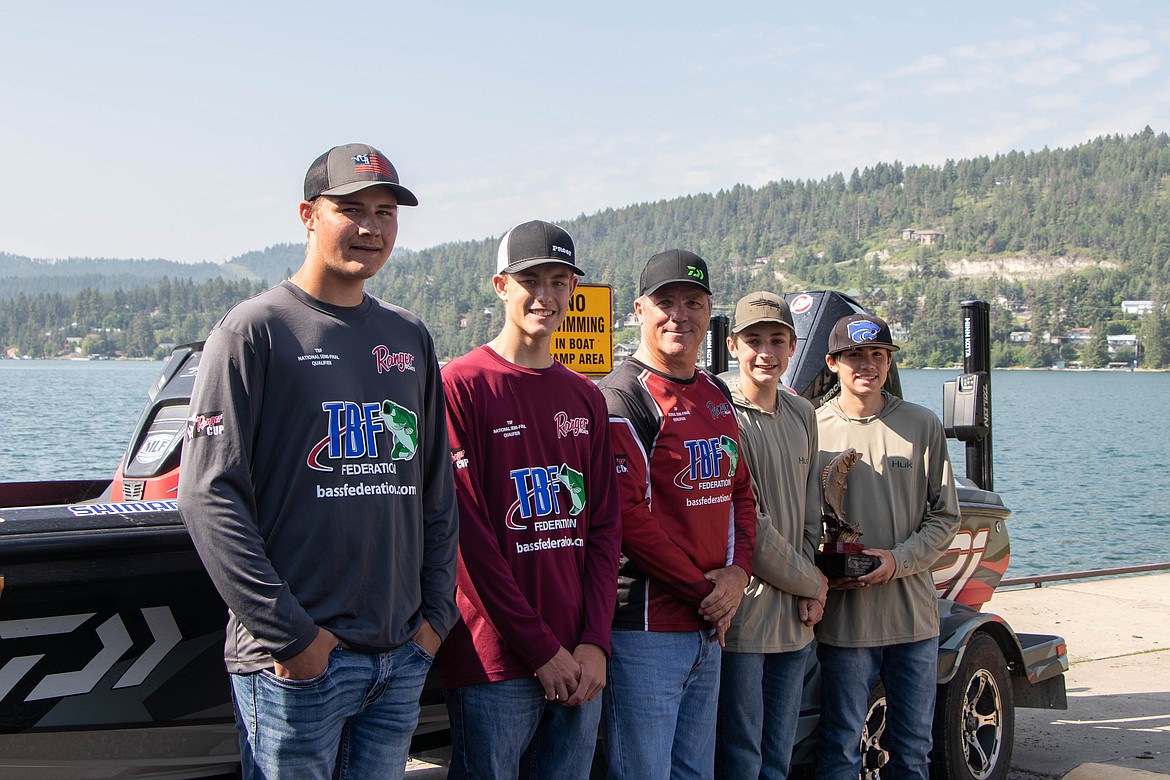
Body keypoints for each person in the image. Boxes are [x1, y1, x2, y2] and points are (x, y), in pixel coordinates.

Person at [177, 143, 458, 779]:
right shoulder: (254, 331)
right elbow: (207, 495)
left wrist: (434, 621)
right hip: (299, 667)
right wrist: (292, 638)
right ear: (308, 214)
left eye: (386, 212)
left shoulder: (409, 337)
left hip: (399, 658)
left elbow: (435, 491)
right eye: (351, 209)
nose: (371, 228)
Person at [439, 220, 622, 779]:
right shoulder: (461, 385)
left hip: (580, 661)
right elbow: (469, 544)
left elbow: (604, 531)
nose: (546, 295)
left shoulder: (585, 395)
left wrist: (594, 643)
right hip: (495, 663)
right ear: (501, 285)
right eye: (530, 280)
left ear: (574, 289)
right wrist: (540, 650)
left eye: (560, 281)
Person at [598, 249, 757, 780]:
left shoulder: (715, 392)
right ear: (639, 310)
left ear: (710, 309)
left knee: (694, 771)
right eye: (665, 302)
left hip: (708, 623)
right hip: (646, 628)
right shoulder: (623, 397)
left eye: (693, 302)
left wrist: (737, 576)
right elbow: (628, 520)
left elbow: (740, 493)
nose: (679, 315)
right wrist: (705, 591)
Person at [813, 313, 960, 780]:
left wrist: (898, 560)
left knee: (914, 752)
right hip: (844, 623)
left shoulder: (922, 425)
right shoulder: (811, 428)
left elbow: (946, 516)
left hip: (913, 621)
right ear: (833, 363)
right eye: (855, 356)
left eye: (878, 355)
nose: (868, 365)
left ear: (889, 361)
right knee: (839, 747)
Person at [716, 292, 828, 780]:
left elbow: (809, 513)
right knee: (741, 756)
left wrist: (810, 591)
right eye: (754, 340)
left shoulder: (802, 414)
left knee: (779, 755)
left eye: (777, 340)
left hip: (794, 618)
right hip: (743, 619)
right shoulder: (722, 411)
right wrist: (813, 583)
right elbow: (749, 524)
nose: (766, 352)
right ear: (733, 346)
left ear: (792, 346)